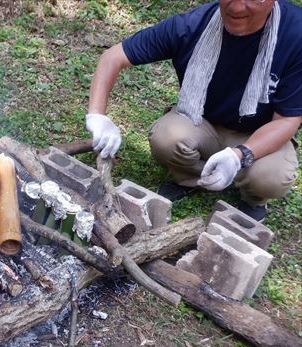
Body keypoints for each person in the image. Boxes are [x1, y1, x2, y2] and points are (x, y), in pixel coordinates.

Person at [85, 0, 302, 221]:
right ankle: (194, 178)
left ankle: (253, 199)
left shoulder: (296, 35)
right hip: (202, 120)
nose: (236, 8)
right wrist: (97, 116)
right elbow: (113, 57)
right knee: (167, 138)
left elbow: (286, 120)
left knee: (271, 178)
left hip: (259, 132)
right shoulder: (193, 25)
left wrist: (240, 155)